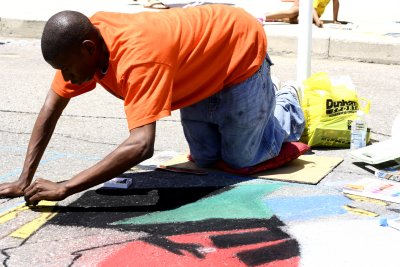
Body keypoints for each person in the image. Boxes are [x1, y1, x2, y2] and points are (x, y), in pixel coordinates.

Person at [0, 5, 305, 204]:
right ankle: (255, 107)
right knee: (207, 160)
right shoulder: (83, 46)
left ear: (88, 49)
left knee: (242, 160)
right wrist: (23, 179)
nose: (66, 78)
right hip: (202, 68)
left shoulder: (139, 58)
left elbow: (141, 145)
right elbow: (51, 107)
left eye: (67, 70)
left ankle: (286, 102)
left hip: (240, 49)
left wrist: (66, 188)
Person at [264, 0, 340, 28]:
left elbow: (336, 3)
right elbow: (311, 7)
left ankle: (278, 17)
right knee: (292, 13)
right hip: (302, 5)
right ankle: (263, 16)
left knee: (299, 20)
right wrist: (317, 21)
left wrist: (335, 20)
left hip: (313, 13)